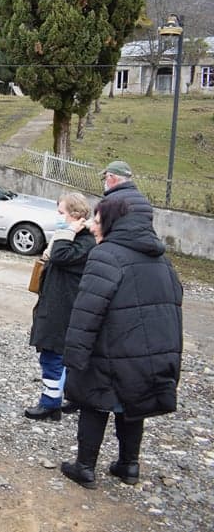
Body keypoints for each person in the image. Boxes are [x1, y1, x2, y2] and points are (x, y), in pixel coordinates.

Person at [60, 197, 182, 489]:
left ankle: (85, 467)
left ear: (112, 223)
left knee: (94, 403)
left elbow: (87, 311)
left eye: (98, 220)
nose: (93, 226)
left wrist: (75, 356)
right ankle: (129, 465)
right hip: (147, 351)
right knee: (133, 404)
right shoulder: (162, 260)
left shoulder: (106, 255)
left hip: (109, 348)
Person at [24, 192, 95, 421]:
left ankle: (51, 403)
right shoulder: (75, 238)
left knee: (54, 357)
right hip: (56, 306)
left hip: (62, 310)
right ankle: (60, 398)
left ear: (75, 216)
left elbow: (62, 255)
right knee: (54, 356)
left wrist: (67, 233)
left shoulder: (82, 241)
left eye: (62, 212)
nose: (58, 217)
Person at [100, 160, 153, 225]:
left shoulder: (110, 201)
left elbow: (103, 228)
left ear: (113, 178)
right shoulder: (145, 201)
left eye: (105, 178)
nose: (105, 181)